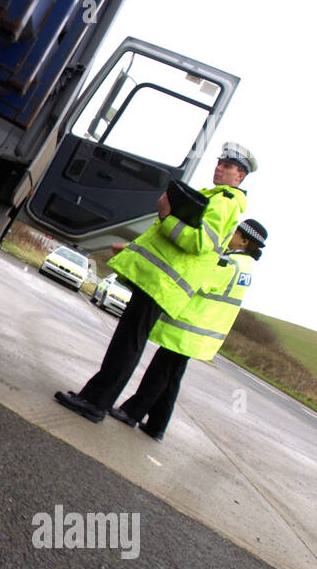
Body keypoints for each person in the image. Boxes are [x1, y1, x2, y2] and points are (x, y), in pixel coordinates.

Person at [55, 142, 257, 422]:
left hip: (162, 284)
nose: (220, 168)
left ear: (241, 176)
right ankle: (94, 399)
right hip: (157, 282)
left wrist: (166, 216)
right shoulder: (218, 198)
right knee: (126, 343)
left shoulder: (224, 203)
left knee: (127, 346)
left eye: (229, 166)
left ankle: (95, 403)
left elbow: (200, 243)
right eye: (220, 163)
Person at [109, 219, 268, 440]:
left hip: (189, 328)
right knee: (171, 377)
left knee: (160, 371)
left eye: (234, 232)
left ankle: (131, 412)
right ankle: (157, 424)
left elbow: (200, 281)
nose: (229, 234)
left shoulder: (227, 263)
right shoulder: (246, 267)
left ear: (244, 240)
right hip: (202, 332)